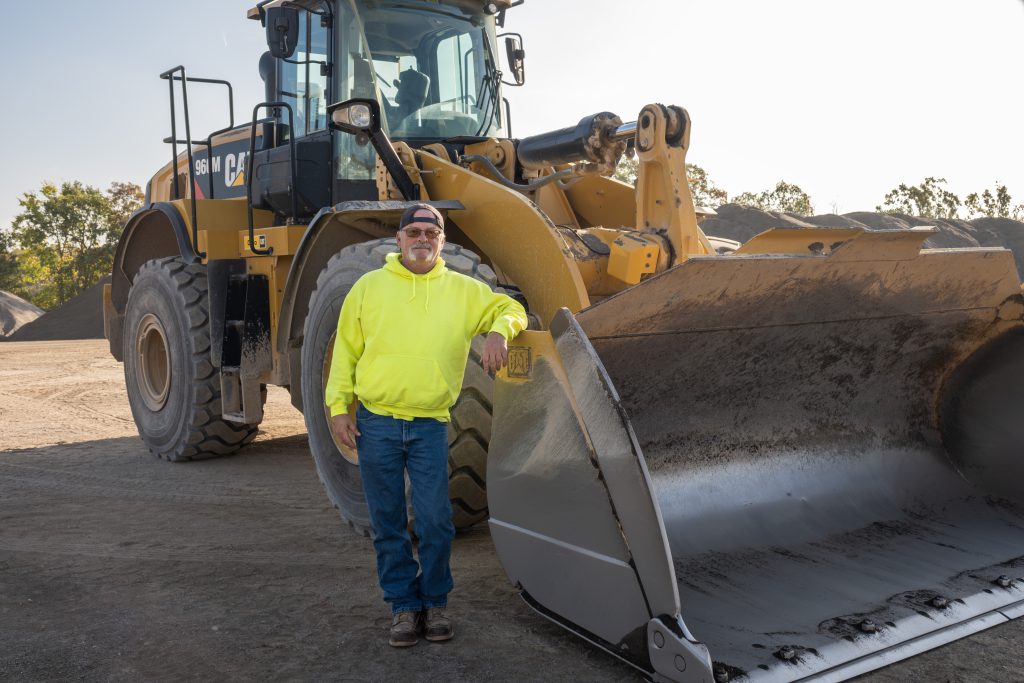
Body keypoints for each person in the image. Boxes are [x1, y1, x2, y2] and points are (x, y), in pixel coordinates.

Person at [324, 203, 528, 648]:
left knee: (436, 520)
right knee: (389, 521)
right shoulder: (368, 288)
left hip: (430, 425)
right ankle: (402, 607)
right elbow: (345, 352)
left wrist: (498, 332)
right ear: (398, 240)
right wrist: (338, 406)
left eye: (430, 233)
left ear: (442, 242)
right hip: (375, 422)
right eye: (413, 231)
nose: (421, 239)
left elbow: (511, 308)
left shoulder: (463, 290)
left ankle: (434, 601)